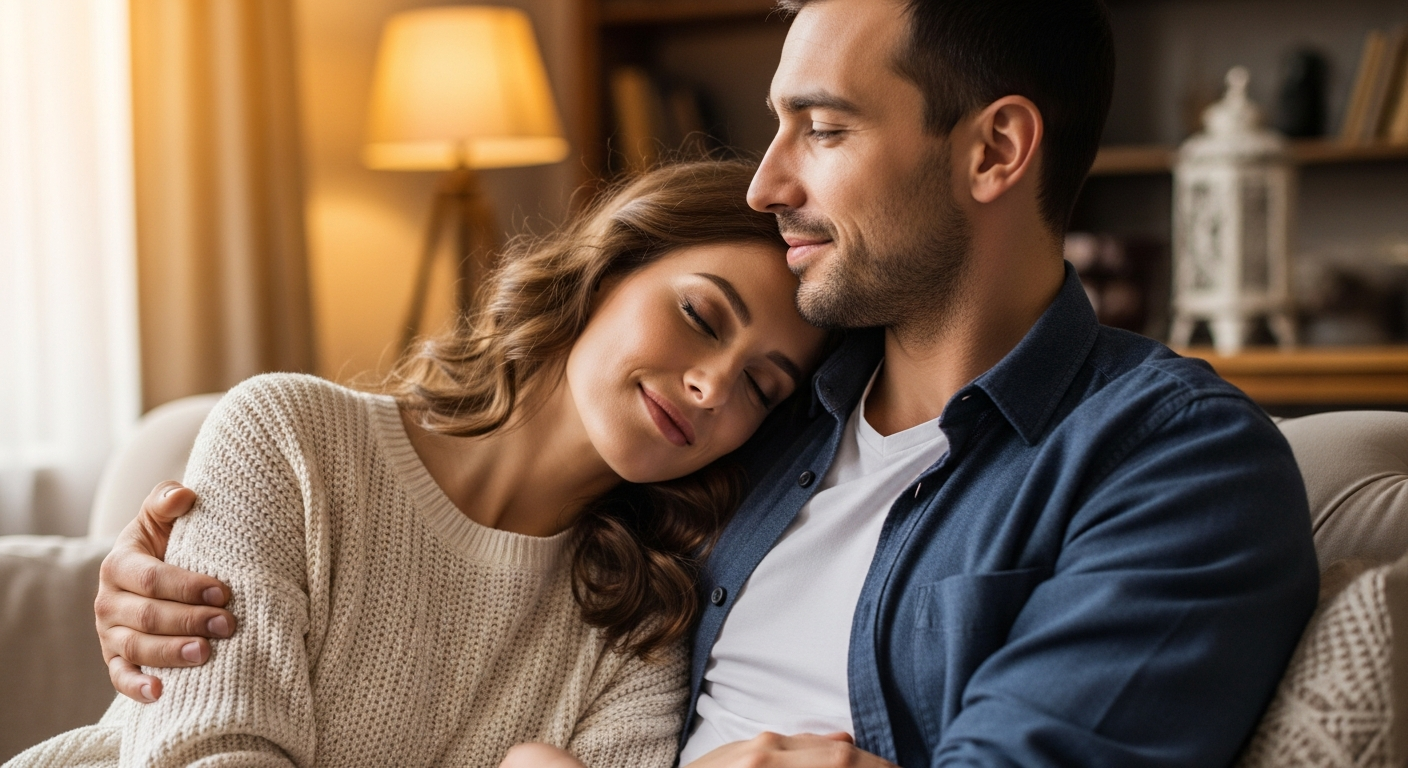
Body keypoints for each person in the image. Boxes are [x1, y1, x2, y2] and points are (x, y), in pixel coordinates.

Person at [90, 0, 1322, 766]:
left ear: (994, 148)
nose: (766, 184)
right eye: (777, 126)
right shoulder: (754, 438)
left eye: (823, 129)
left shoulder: (1170, 463)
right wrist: (166, 600)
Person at [7, 160, 828, 767]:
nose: (712, 386)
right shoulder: (291, 438)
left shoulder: (642, 625)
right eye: (700, 315)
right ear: (610, 266)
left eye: (761, 387)